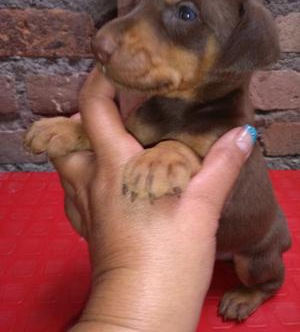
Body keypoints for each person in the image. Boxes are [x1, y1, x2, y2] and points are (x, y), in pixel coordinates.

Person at [52, 69, 256, 332]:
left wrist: (177, 152)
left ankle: (262, 288)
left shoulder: (216, 104)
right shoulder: (151, 105)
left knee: (257, 261)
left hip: (245, 238)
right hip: (195, 246)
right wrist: (84, 134)